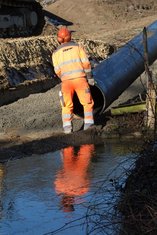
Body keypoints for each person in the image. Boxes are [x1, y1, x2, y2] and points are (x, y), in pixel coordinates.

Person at [52, 26, 95, 134]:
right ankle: (88, 126)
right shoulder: (78, 47)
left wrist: (65, 77)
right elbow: (86, 63)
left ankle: (67, 129)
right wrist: (89, 77)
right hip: (80, 80)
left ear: (58, 39)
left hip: (66, 83)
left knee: (66, 105)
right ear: (70, 36)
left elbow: (57, 70)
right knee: (87, 102)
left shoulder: (55, 53)